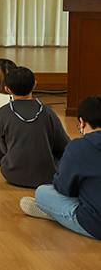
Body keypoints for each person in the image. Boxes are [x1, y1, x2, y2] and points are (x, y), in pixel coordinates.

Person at [20, 95, 101, 239]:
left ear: (82, 122)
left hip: (95, 223)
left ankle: (56, 214)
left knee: (42, 192)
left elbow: (63, 187)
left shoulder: (79, 146)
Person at [0, 66, 71, 188]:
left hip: (14, 176)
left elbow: (4, 148)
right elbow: (63, 145)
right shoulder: (47, 111)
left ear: (7, 89)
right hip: (48, 176)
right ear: (34, 84)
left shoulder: (2, 113)